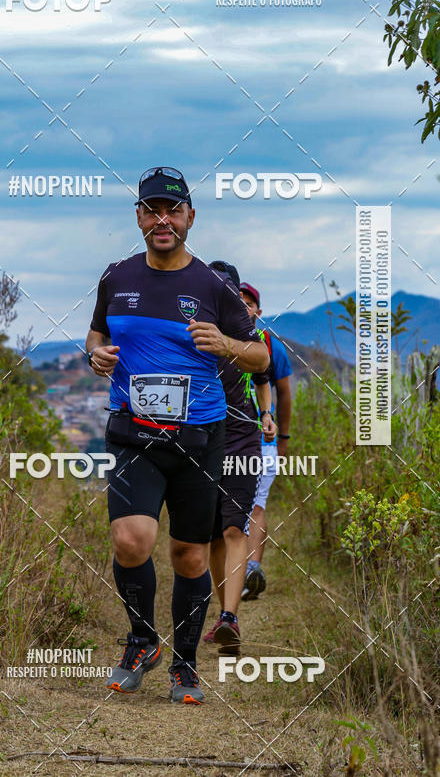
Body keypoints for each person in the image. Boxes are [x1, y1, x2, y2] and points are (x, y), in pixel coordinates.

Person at [85, 167, 269, 703]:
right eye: (151, 210)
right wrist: (95, 353)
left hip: (198, 439)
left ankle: (185, 664)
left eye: (173, 210)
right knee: (129, 539)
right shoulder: (117, 277)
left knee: (189, 555)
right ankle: (142, 640)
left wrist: (224, 344)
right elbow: (98, 332)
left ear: (190, 217)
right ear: (139, 217)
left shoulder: (212, 286)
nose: (162, 219)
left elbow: (259, 354)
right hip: (133, 433)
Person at [202, 262, 276, 654]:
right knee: (214, 536)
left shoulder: (249, 336)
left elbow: (263, 377)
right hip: (201, 439)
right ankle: (222, 614)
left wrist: (267, 415)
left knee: (235, 528)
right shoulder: (194, 331)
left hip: (243, 439)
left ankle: (230, 618)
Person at [239, 281, 293, 601]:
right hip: (226, 437)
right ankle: (238, 569)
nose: (244, 308)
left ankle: (252, 569)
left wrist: (283, 438)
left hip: (263, 438)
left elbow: (284, 393)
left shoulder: (271, 345)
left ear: (259, 312)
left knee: (256, 503)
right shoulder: (220, 343)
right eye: (239, 303)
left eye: (249, 304)